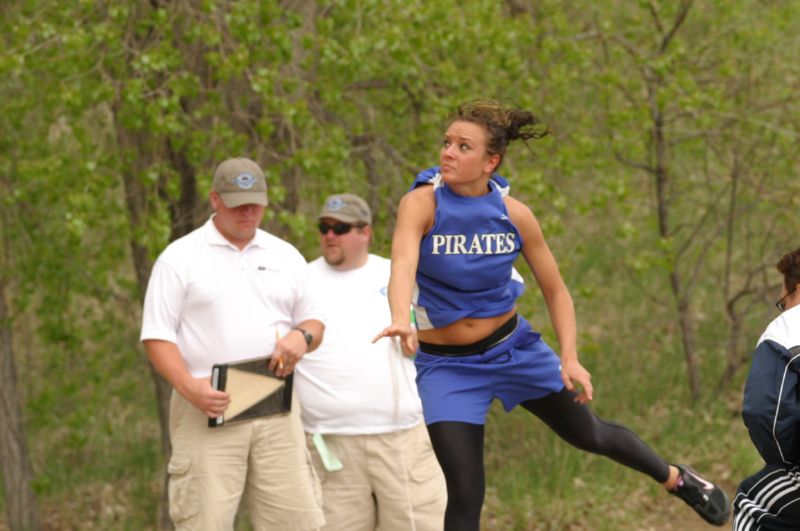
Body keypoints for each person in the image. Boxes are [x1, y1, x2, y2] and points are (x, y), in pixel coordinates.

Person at [373, 100, 731, 530]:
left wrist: (570, 356)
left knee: (590, 435)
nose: (448, 152)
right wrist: (401, 316)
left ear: (491, 161)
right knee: (466, 492)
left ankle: (678, 479)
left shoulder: (515, 216)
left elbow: (556, 290)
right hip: (447, 368)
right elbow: (402, 264)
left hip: (512, 350)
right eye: (447, 142)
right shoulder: (422, 204)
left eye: (463, 147)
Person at [140, 157, 326, 530]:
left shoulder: (285, 255)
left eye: (256, 202)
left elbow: (315, 323)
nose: (249, 212)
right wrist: (189, 387)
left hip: (275, 398)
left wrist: (300, 337)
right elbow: (157, 337)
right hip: (208, 402)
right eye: (238, 203)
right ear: (215, 200)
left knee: (297, 521)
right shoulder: (180, 258)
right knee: (204, 520)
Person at [294, 193, 446, 531]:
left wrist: (416, 342)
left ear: (365, 233)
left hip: (401, 439)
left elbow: (434, 339)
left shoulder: (396, 273)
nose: (330, 235)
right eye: (324, 227)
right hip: (328, 444)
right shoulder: (300, 279)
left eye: (340, 228)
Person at [734, 247, 800, 530]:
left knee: (752, 501)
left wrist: (788, 462)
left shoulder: (788, 328)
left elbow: (765, 413)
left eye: (783, 300)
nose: (784, 308)